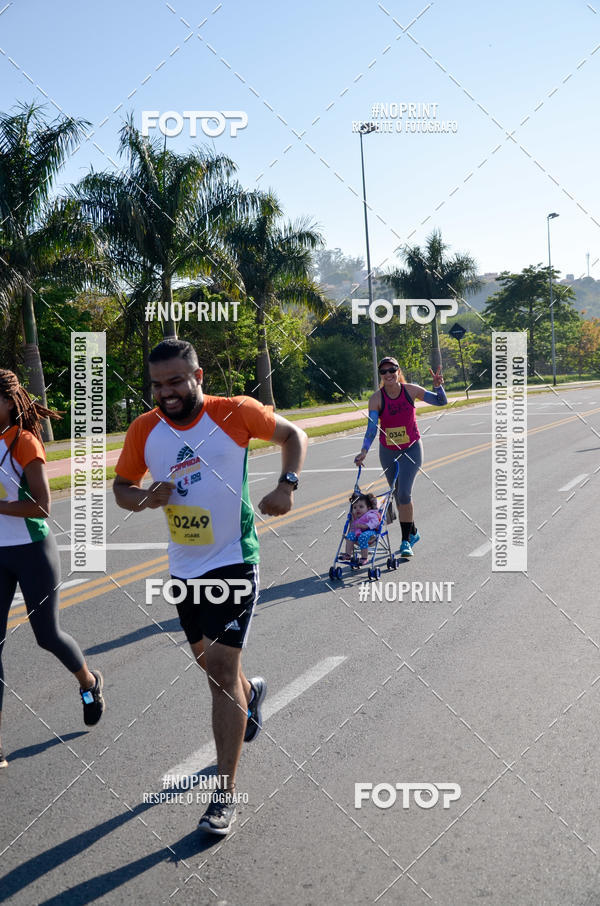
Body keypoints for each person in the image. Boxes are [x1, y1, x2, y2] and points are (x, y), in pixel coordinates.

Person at [113, 339, 307, 835]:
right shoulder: (145, 429)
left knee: (219, 673)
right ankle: (252, 692)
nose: (166, 392)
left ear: (197, 376)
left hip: (234, 560)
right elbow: (122, 488)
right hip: (185, 567)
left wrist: (287, 485)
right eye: (157, 384)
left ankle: (224, 797)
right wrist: (145, 498)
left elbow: (294, 435)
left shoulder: (235, 413)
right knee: (213, 668)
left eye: (176, 381)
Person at [0, 370, 105, 769]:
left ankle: (89, 684)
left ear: (9, 403)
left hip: (31, 549)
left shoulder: (23, 442)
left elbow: (42, 505)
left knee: (46, 634)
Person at [354, 356, 447, 558]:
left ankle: (405, 541)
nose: (388, 374)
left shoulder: (411, 390)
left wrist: (439, 387)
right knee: (396, 494)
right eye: (384, 371)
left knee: (404, 494)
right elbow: (372, 429)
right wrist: (364, 451)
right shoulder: (376, 399)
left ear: (398, 371)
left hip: (411, 449)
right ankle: (412, 531)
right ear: (381, 375)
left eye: (392, 370)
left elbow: (441, 402)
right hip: (388, 451)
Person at [340, 493, 381, 564]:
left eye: (361, 507)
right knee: (349, 536)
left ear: (368, 508)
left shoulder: (370, 514)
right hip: (358, 534)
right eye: (355, 507)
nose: (357, 509)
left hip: (371, 533)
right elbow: (353, 528)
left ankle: (364, 558)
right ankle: (348, 554)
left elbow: (375, 522)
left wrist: (366, 526)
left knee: (363, 536)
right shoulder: (355, 517)